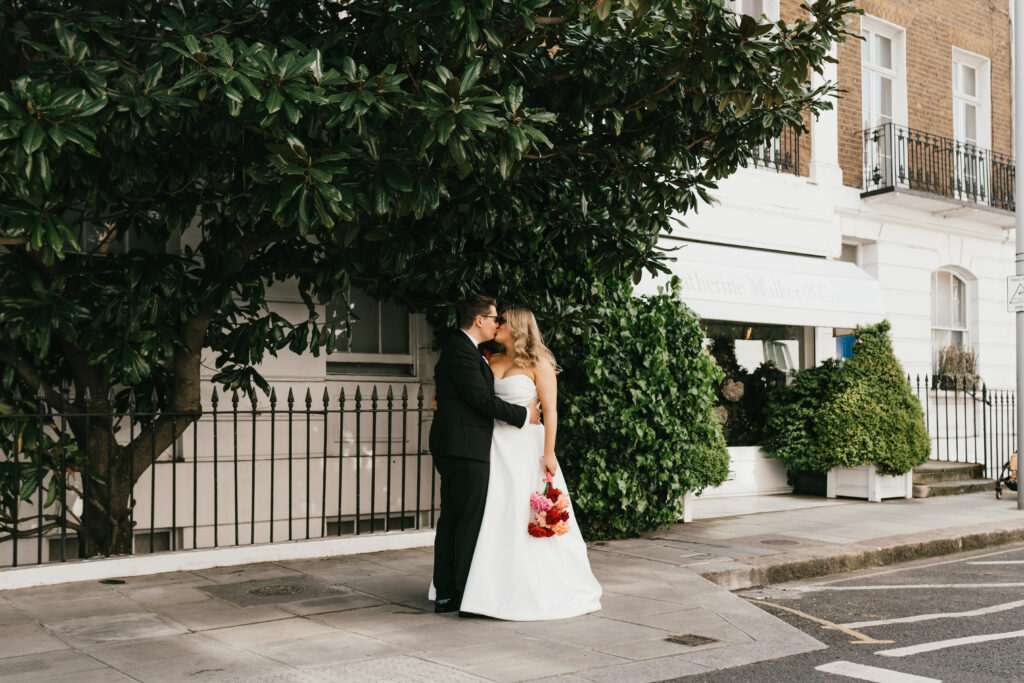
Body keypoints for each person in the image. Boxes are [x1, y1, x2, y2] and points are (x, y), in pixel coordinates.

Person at [458, 306, 602, 620]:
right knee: (496, 512)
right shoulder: (490, 360)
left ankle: (534, 586)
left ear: (518, 326)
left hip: (527, 448)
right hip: (495, 446)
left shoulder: (540, 364)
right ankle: (486, 589)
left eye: (502, 321)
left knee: (533, 515)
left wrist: (548, 453)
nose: (497, 324)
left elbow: (550, 411)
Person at [429, 295, 541, 614]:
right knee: (466, 521)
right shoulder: (462, 350)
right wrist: (523, 415)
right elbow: (481, 399)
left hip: (458, 445)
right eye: (494, 319)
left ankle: (447, 593)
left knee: (453, 519)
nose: (497, 324)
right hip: (464, 447)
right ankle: (464, 593)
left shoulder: (468, 350)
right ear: (479, 320)